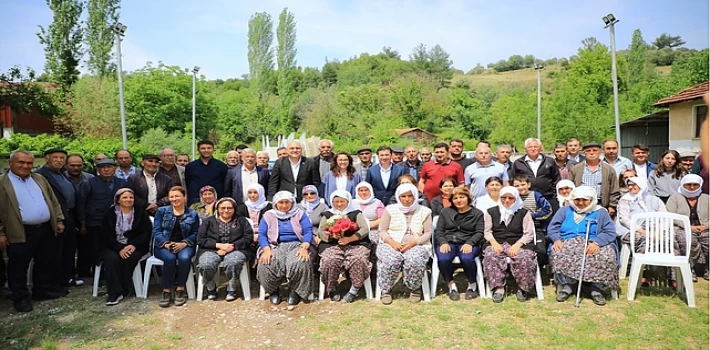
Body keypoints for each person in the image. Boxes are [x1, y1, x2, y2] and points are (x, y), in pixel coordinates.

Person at [0, 150, 67, 312]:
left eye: (29, 163)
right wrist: (1, 232)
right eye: (21, 162)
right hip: (19, 231)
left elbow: (52, 200)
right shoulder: (2, 183)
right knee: (18, 266)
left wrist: (58, 219)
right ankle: (21, 298)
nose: (25, 166)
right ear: (11, 163)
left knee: (45, 261)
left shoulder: (39, 179)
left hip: (44, 229)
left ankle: (41, 290)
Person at [547, 186, 618, 306]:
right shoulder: (564, 210)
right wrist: (557, 240)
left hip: (593, 241)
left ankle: (597, 288)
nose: (580, 203)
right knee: (561, 253)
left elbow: (610, 231)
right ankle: (567, 286)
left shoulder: (600, 212)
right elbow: (553, 227)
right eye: (577, 200)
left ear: (592, 200)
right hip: (567, 241)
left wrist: (597, 242)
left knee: (605, 256)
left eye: (585, 200)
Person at [376, 184, 433, 305]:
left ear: (415, 196)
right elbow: (382, 230)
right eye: (403, 196)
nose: (407, 199)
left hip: (417, 244)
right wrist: (393, 243)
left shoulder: (425, 211)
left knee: (414, 259)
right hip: (390, 243)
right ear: (398, 197)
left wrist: (414, 242)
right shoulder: (390, 209)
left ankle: (415, 288)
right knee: (391, 259)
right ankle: (385, 290)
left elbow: (428, 232)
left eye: (410, 196)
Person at [257, 191, 315, 309]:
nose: (284, 205)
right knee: (267, 262)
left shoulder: (299, 213)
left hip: (297, 244)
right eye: (281, 202)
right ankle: (273, 290)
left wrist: (304, 247)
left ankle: (296, 291)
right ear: (275, 203)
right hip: (275, 245)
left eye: (287, 202)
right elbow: (262, 234)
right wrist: (266, 249)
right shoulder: (268, 215)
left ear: (292, 202)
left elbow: (308, 231)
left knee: (300, 261)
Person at [481, 186, 538, 303]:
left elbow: (528, 233)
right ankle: (498, 288)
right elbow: (487, 231)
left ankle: (522, 288)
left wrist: (518, 245)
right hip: (497, 242)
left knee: (525, 257)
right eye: (503, 197)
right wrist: (494, 243)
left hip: (519, 243)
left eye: (510, 198)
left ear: (516, 199)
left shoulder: (524, 213)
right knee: (492, 255)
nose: (506, 200)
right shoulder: (491, 212)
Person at [35, 148, 80, 287]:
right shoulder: (40, 175)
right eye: (56, 157)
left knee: (69, 248)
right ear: (47, 159)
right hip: (55, 218)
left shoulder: (62, 174)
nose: (59, 160)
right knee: (55, 251)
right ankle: (55, 281)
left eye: (62, 158)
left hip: (69, 215)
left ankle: (67, 277)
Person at [98, 188, 151, 305]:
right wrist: (119, 247)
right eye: (125, 197)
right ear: (118, 200)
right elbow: (105, 235)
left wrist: (133, 244)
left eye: (131, 197)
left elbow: (146, 232)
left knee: (128, 258)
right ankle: (114, 293)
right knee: (112, 259)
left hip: (135, 245)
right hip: (112, 245)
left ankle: (126, 288)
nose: (128, 200)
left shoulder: (140, 213)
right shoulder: (110, 214)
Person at [317, 190, 371, 302]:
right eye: (336, 201)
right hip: (332, 245)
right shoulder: (328, 215)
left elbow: (365, 229)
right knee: (329, 260)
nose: (339, 204)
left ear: (348, 201)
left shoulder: (356, 213)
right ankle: (331, 288)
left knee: (359, 259)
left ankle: (354, 289)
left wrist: (350, 238)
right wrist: (332, 236)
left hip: (355, 244)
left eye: (342, 201)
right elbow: (321, 231)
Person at [615, 177, 671, 286]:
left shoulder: (655, 200)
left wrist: (659, 231)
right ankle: (642, 273)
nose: (631, 187)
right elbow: (624, 219)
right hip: (630, 230)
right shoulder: (625, 200)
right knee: (645, 241)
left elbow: (665, 217)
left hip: (654, 230)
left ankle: (672, 276)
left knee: (669, 241)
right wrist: (643, 231)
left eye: (634, 184)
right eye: (629, 185)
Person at [196, 197, 254, 301]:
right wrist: (219, 245)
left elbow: (248, 238)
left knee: (234, 262)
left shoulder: (242, 221)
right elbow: (200, 240)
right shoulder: (208, 221)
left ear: (234, 209)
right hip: (212, 249)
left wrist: (230, 247)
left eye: (229, 208)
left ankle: (231, 287)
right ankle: (210, 286)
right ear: (217, 208)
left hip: (237, 249)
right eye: (222, 208)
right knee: (205, 264)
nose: (226, 210)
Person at [77, 158, 126, 278]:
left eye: (109, 167)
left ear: (114, 168)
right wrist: (83, 223)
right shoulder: (88, 183)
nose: (106, 169)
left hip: (116, 222)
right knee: (96, 249)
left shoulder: (122, 182)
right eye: (103, 167)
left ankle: (112, 273)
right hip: (95, 222)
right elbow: (81, 203)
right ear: (98, 169)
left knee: (113, 247)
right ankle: (98, 275)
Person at [152, 186, 199, 308]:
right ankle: (166, 291)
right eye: (171, 196)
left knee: (184, 258)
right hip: (164, 245)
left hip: (185, 244)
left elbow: (196, 233)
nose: (174, 199)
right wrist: (166, 244)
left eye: (177, 196)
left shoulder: (193, 214)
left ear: (184, 197)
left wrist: (184, 243)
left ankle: (180, 290)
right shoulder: (161, 211)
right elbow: (156, 231)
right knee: (170, 258)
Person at [434, 187, 484, 301]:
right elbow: (439, 231)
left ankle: (472, 285)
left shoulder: (477, 213)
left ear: (468, 198)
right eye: (455, 198)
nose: (459, 200)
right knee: (443, 258)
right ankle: (451, 285)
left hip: (468, 242)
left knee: (467, 258)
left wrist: (470, 243)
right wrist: (442, 242)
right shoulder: (445, 212)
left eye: (462, 197)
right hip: (448, 242)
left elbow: (479, 232)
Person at [667, 174, 709, 281]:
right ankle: (691, 268)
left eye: (695, 185)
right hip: (682, 228)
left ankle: (707, 268)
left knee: (707, 240)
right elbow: (670, 215)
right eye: (688, 184)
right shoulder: (675, 198)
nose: (691, 187)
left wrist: (705, 226)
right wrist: (687, 226)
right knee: (688, 241)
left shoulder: (707, 198)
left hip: (704, 227)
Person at [568, 142, 620, 217]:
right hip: (580, 205)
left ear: (600, 152)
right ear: (584, 153)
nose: (591, 153)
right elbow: (570, 187)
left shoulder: (609, 169)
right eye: (588, 151)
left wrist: (612, 205)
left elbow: (614, 189)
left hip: (601, 205)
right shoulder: (575, 169)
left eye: (595, 150)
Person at [511, 138, 560, 212]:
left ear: (540, 148)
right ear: (525, 149)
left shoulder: (549, 161)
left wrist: (553, 194)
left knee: (548, 219)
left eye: (535, 147)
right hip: (527, 198)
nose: (533, 149)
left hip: (548, 197)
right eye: (530, 147)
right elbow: (513, 180)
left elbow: (556, 178)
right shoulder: (518, 163)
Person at [185, 140, 228, 205]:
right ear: (198, 150)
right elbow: (187, 182)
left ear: (213, 149)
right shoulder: (190, 166)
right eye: (203, 148)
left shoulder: (221, 166)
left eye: (209, 148)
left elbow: (224, 183)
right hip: (195, 200)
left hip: (216, 200)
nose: (206, 150)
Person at [353, 182, 385, 253]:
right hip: (355, 229)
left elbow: (383, 219)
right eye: (361, 190)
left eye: (366, 190)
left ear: (370, 191)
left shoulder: (377, 203)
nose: (363, 192)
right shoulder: (352, 203)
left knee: (372, 239)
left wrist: (367, 225)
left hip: (373, 229)